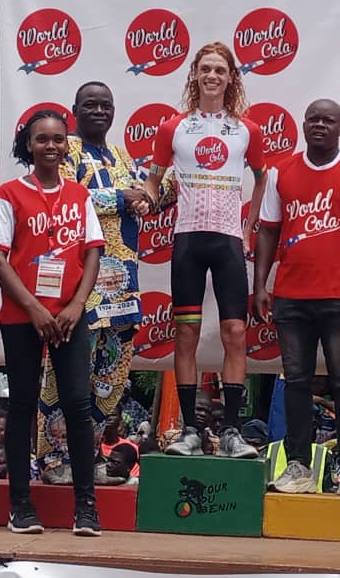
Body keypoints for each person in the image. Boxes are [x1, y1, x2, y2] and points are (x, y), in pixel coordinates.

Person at [37, 81, 168, 485]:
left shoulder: (121, 155)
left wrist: (159, 191)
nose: (99, 111)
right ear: (75, 109)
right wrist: (121, 198)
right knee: (66, 376)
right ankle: (54, 461)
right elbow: (63, 196)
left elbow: (145, 194)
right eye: (90, 104)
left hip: (123, 289)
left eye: (105, 105)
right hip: (80, 286)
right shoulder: (66, 151)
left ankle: (90, 457)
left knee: (109, 380)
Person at [254, 99, 340, 499]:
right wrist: (260, 285)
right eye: (313, 119)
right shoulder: (281, 172)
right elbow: (268, 231)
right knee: (295, 381)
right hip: (291, 296)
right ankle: (298, 466)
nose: (320, 126)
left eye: (328, 120)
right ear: (303, 124)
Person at [0, 109, 104, 537]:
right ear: (28, 145)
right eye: (41, 139)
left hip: (70, 317)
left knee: (78, 406)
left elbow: (93, 251)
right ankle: (20, 505)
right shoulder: (8, 195)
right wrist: (34, 308)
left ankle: (86, 507)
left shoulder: (79, 195)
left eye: (57, 139)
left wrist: (77, 305)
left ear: (66, 145)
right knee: (22, 405)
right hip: (23, 317)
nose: (50, 146)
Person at [143, 42, 266, 460]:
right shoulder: (173, 128)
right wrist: (146, 197)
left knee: (235, 332)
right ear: (194, 74)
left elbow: (262, 178)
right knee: (186, 333)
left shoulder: (246, 130)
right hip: (188, 240)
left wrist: (248, 228)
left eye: (220, 70)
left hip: (228, 240)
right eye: (206, 69)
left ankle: (231, 430)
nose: (212, 76)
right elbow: (153, 180)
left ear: (231, 78)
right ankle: (190, 431)